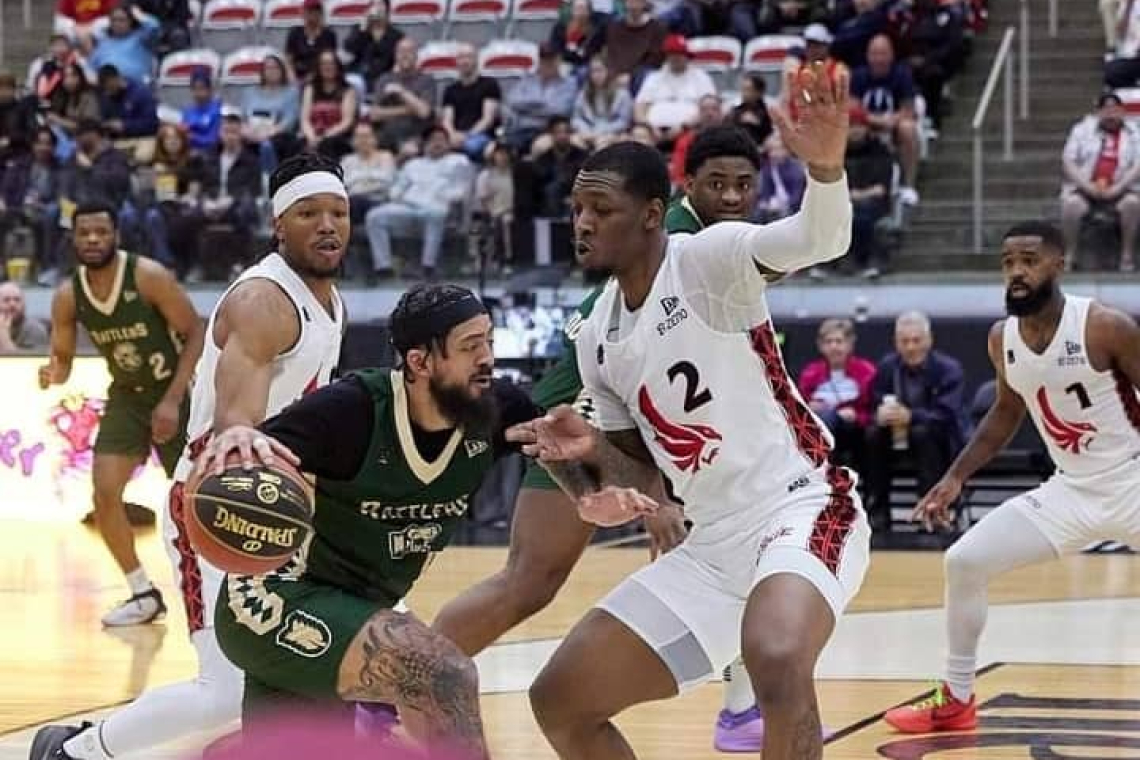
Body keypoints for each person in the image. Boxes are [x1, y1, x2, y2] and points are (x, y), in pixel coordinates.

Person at [435, 124, 778, 752]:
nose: (731, 197)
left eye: (744, 186)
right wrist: (654, 489)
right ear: (676, 192)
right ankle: (402, 681)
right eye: (716, 184)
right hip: (587, 410)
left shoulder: (699, 241)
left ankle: (739, 706)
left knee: (738, 554)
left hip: (634, 417)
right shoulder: (673, 237)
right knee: (529, 580)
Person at [29, 153, 349, 760]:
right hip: (219, 499)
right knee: (223, 691)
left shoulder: (329, 301)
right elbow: (236, 420)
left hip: (279, 498)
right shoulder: (263, 300)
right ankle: (75, 752)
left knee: (351, 642)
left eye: (338, 212)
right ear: (281, 224)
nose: (327, 224)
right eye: (309, 213)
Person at [208, 284, 540, 759]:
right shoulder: (352, 411)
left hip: (355, 609)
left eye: (488, 340)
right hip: (275, 598)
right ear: (420, 362)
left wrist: (593, 485)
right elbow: (250, 461)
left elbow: (565, 444)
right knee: (442, 672)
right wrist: (239, 439)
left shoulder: (498, 409)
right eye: (471, 346)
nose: (487, 356)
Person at [884, 220, 1140, 733]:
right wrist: (955, 477)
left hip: (1132, 481)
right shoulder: (1003, 338)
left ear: (1058, 264)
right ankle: (956, 699)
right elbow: (1004, 413)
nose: (1017, 272)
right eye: (1008, 263)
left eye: (1029, 260)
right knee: (965, 562)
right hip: (1070, 490)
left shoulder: (1105, 326)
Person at [38, 202, 204, 628]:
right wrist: (53, 371)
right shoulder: (67, 295)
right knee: (104, 493)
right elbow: (64, 359)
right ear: (72, 239)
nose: (93, 239)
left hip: (175, 393)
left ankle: (218, 587)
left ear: (116, 235)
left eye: (100, 232)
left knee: (195, 499)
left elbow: (196, 333)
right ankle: (142, 592)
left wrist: (172, 400)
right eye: (84, 233)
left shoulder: (148, 276)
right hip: (127, 398)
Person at [0, 281, 50, 352]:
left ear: (24, 305)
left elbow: (28, 361)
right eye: (6, 300)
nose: (12, 304)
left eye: (17, 300)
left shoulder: (36, 329)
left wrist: (4, 335)